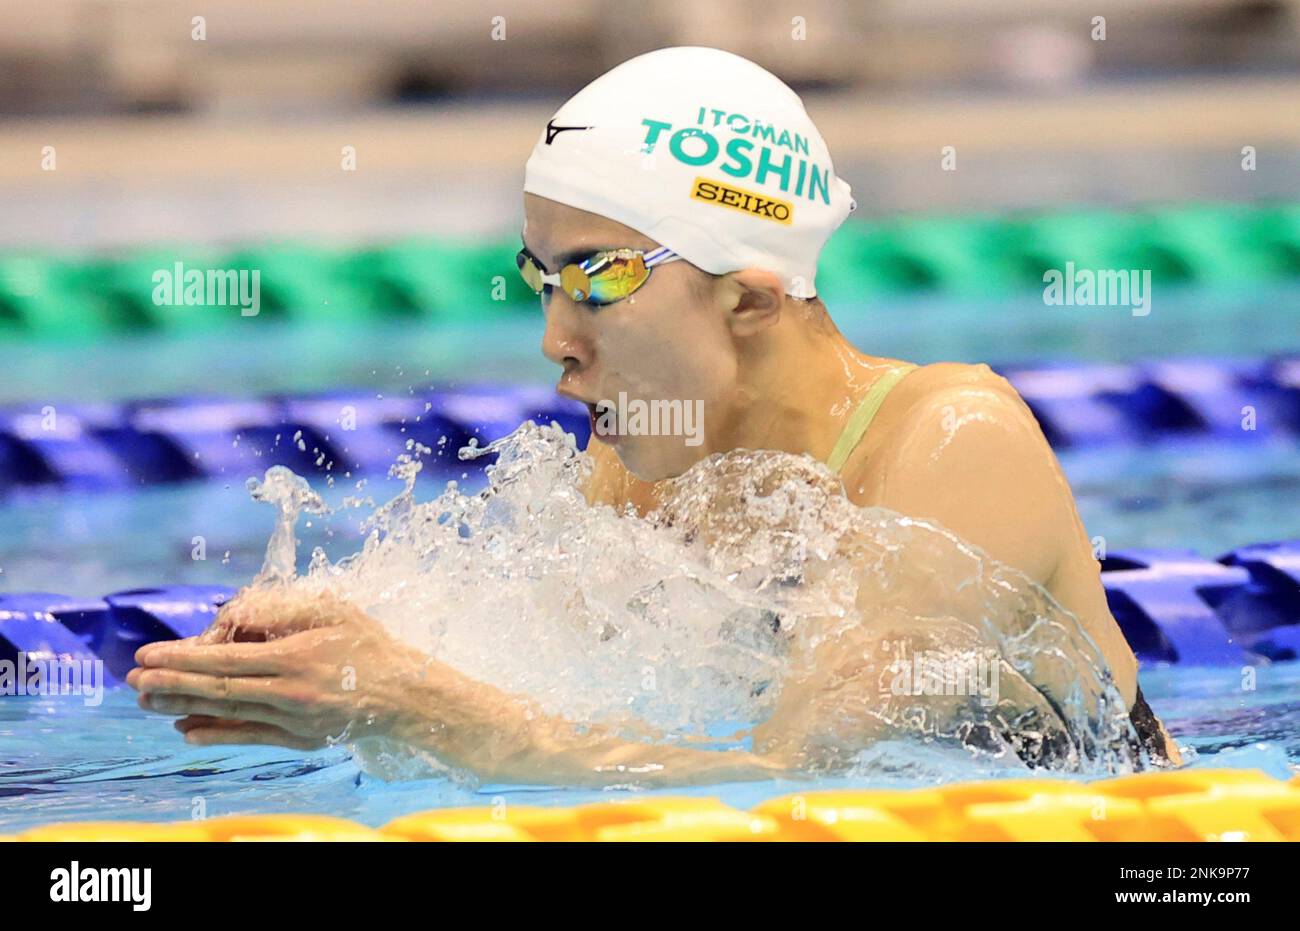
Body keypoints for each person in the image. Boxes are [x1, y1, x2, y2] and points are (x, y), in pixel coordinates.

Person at [127, 47, 1179, 785]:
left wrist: (411, 702)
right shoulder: (649, 468)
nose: (554, 337)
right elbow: (543, 692)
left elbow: (782, 796)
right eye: (541, 278)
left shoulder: (955, 445)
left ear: (751, 297)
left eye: (598, 277)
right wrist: (338, 650)